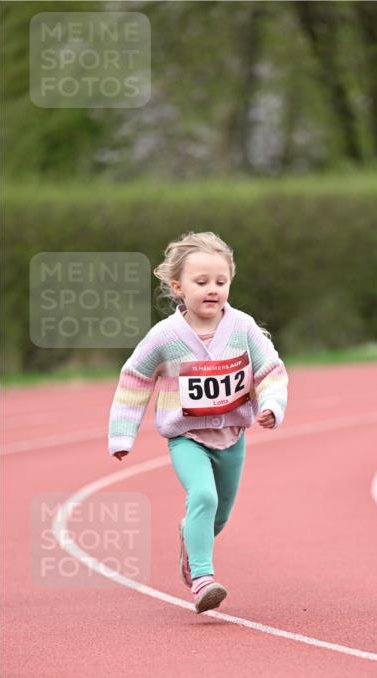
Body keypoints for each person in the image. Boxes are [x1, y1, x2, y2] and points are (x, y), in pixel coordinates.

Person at [108, 231, 288, 613]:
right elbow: (135, 378)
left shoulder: (242, 328)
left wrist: (272, 403)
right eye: (201, 282)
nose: (213, 290)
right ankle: (203, 580)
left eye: (220, 282)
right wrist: (122, 435)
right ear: (178, 286)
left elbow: (270, 369)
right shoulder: (165, 337)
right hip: (187, 438)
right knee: (202, 498)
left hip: (232, 438)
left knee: (217, 516)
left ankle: (190, 541)